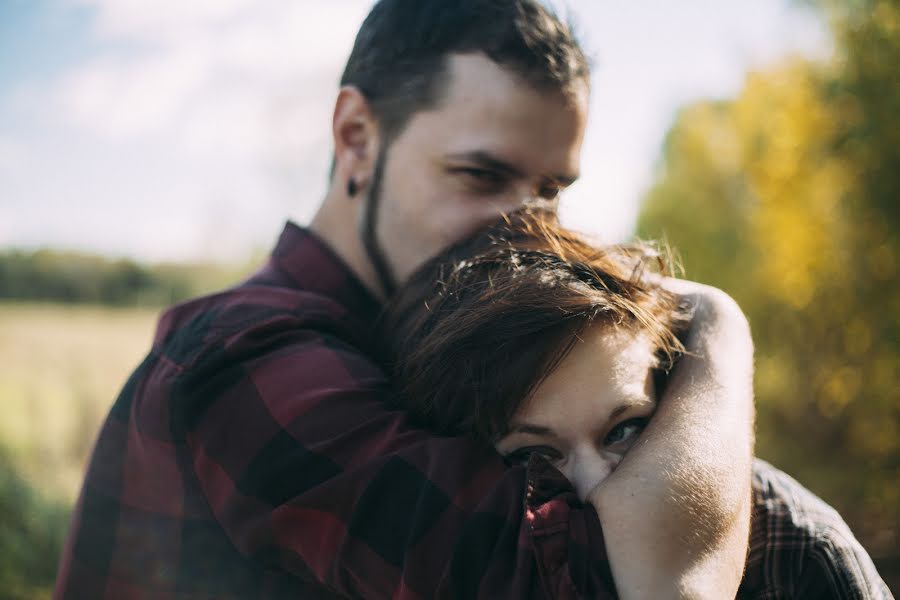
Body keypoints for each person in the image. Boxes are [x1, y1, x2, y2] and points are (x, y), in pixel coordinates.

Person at [55, 1, 756, 598]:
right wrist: (717, 327)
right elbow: (606, 582)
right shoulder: (246, 357)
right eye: (481, 175)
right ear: (356, 139)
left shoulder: (411, 346)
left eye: (550, 191)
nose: (530, 230)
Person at [380, 209, 893, 599]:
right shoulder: (445, 557)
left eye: (623, 430)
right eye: (532, 454)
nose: (597, 482)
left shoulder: (799, 550)